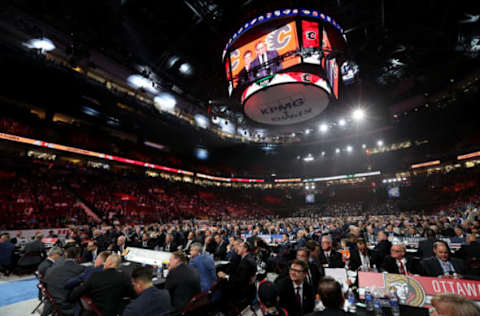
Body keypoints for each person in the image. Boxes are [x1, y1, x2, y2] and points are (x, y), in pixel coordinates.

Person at [69, 253, 135, 316]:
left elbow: (75, 294)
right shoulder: (124, 277)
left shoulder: (95, 275)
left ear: (109, 263)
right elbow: (134, 295)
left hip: (95, 312)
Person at [42, 246, 86, 316]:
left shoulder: (53, 265)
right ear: (78, 256)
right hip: (66, 305)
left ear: (65, 254)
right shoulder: (80, 269)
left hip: (51, 302)